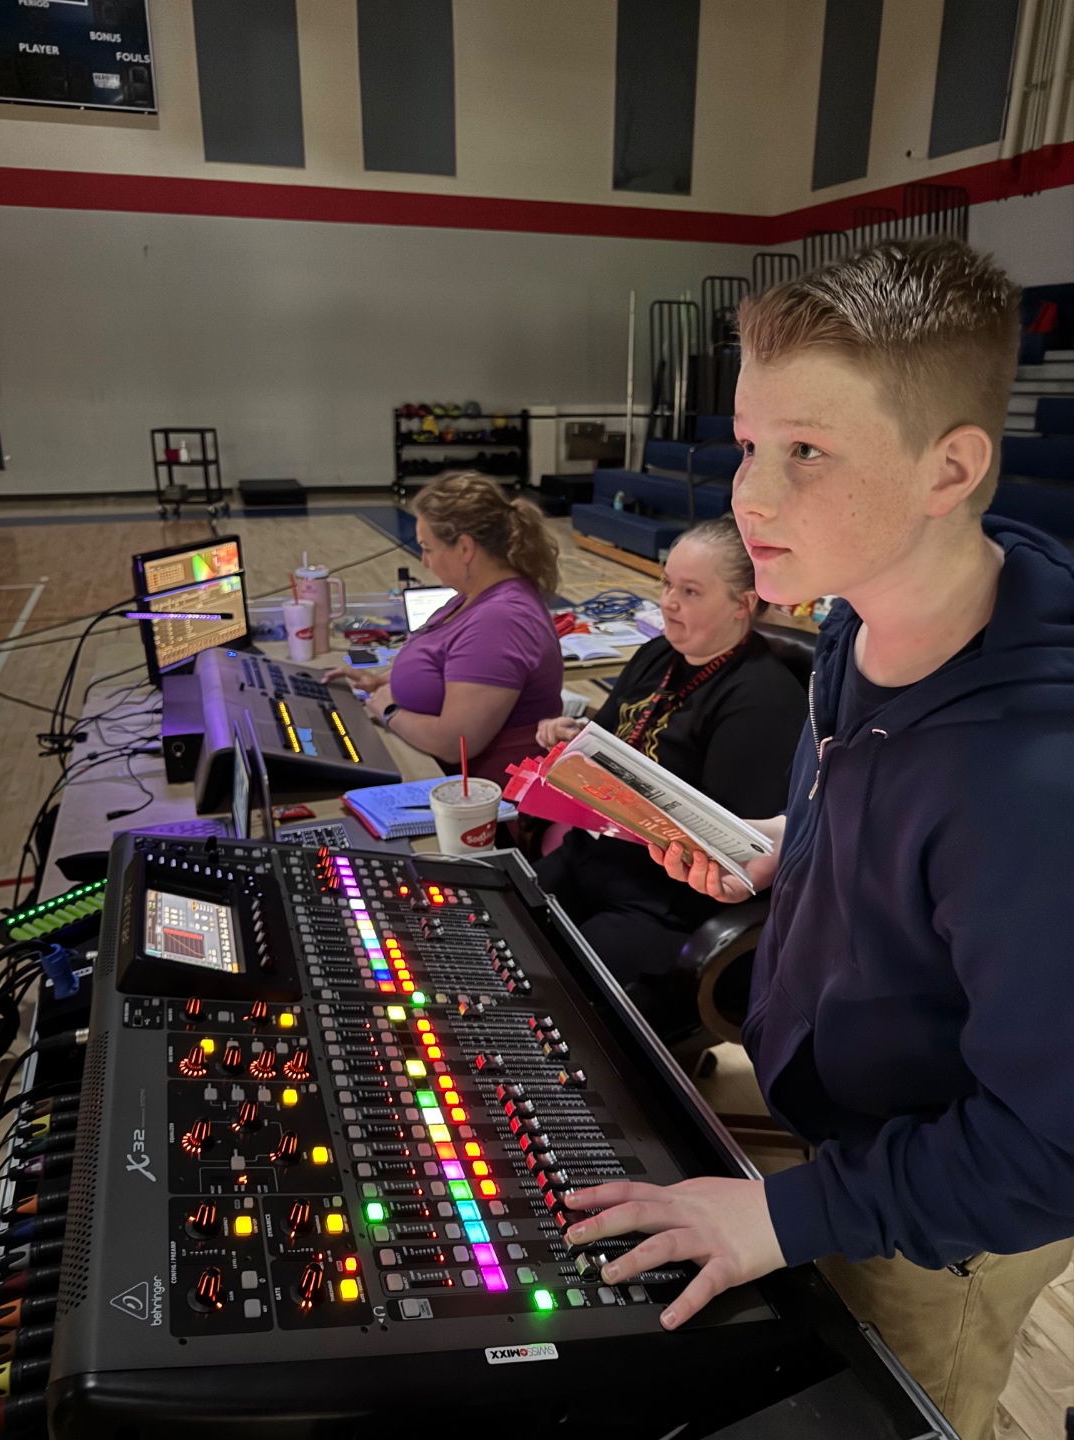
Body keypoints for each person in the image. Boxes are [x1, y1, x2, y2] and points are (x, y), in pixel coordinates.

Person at [561, 240, 1074, 1440]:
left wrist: (782, 1222)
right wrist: (777, 845)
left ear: (950, 468)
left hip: (937, 1229)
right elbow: (888, 822)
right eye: (748, 443)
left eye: (808, 451)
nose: (751, 495)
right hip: (832, 1112)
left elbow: (1048, 1150)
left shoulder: (1037, 785)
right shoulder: (860, 613)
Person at [533, 516, 806, 1033]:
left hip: (665, 905)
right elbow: (612, 742)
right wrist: (575, 740)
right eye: (666, 583)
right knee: (502, 927)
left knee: (556, 1006)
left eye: (690, 591)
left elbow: (731, 847)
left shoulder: (761, 699)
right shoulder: (658, 653)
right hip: (595, 859)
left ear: (742, 604)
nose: (668, 602)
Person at [330, 473, 563, 786]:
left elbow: (457, 744)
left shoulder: (499, 620)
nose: (424, 562)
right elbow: (456, 674)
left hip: (486, 796)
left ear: (465, 548)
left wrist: (388, 710)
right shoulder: (474, 596)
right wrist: (384, 682)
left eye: (428, 548)